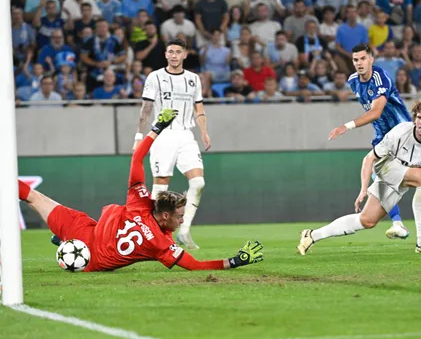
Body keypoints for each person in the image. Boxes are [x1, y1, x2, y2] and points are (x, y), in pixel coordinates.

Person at [27, 109, 264, 272]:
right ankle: (65, 243)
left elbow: (137, 158)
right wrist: (235, 261)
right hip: (93, 261)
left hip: (87, 230)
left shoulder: (141, 201)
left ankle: (65, 241)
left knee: (34, 197)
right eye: (180, 216)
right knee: (38, 200)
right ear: (165, 215)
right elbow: (195, 266)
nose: (182, 220)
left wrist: (157, 127)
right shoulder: (160, 244)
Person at [298, 100, 421, 256]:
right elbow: (369, 159)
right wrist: (363, 189)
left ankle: (312, 235)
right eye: (419, 117)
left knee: (367, 220)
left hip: (406, 173)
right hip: (387, 166)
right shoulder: (401, 131)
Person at [328, 43, 421, 240]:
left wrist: (347, 126)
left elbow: (376, 111)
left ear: (371, 59)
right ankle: (398, 224)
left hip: (406, 136)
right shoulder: (353, 80)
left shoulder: (380, 78)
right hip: (384, 138)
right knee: (381, 177)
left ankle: (404, 226)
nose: (359, 63)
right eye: (355, 60)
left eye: (363, 58)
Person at [133, 38, 211, 250]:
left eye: (178, 51)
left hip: (186, 135)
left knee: (198, 183)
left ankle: (184, 232)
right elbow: (146, 109)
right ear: (166, 54)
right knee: (160, 188)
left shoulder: (193, 79)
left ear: (185, 55)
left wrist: (204, 132)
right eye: (171, 52)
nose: (174, 55)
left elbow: (199, 108)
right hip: (163, 135)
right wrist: (139, 138)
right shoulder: (155, 77)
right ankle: (153, 235)